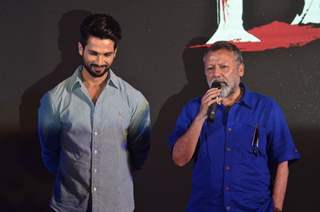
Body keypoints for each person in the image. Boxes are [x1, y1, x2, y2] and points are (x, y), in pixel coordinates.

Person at [168, 41, 300, 212]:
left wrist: (277, 207)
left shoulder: (266, 107)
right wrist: (201, 116)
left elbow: (283, 160)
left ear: (240, 70)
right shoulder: (193, 109)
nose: (216, 74)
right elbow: (179, 159)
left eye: (224, 67)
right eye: (210, 68)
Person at [38, 13, 151, 212]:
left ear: (115, 52)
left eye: (107, 55)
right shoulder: (54, 99)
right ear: (81, 48)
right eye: (93, 53)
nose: (100, 61)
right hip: (69, 206)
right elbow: (50, 154)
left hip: (117, 205)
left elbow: (139, 153)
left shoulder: (134, 100)